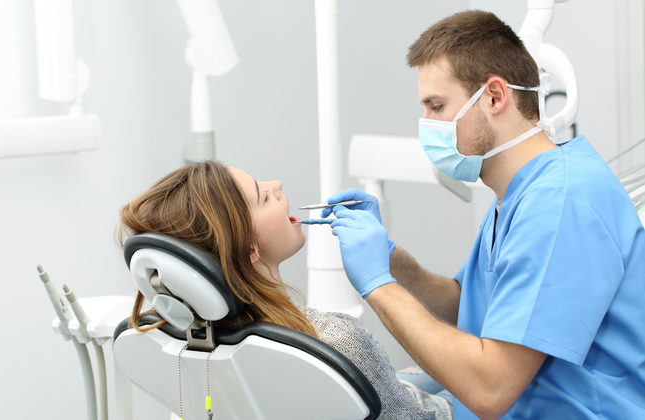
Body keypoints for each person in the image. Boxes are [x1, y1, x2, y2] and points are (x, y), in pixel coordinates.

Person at [322, 10, 645, 420]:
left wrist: (378, 285)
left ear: (494, 96)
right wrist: (389, 258)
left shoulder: (560, 203)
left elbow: (489, 388)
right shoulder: (519, 195)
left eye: (437, 106)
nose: (427, 124)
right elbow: (470, 306)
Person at [115, 160, 452, 420]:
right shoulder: (336, 341)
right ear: (250, 251)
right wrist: (378, 280)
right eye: (264, 196)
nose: (276, 185)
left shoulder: (192, 343)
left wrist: (388, 254)